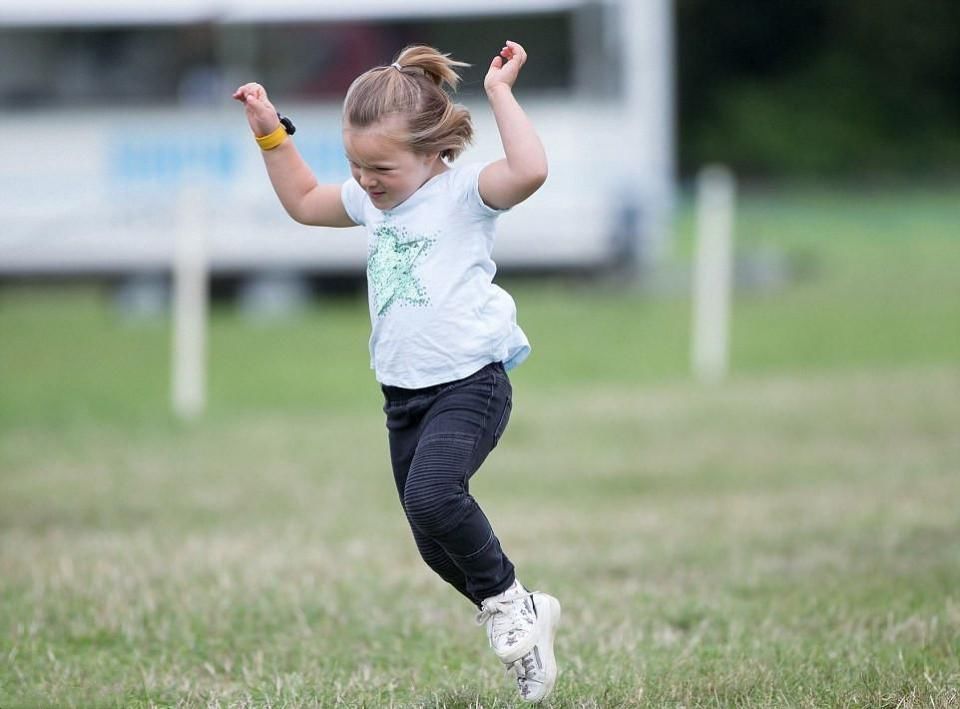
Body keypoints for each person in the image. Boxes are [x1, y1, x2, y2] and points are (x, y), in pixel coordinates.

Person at [233, 41, 560, 704]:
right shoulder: (368, 202)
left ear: (434, 150)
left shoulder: (463, 193)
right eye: (356, 165)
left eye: (380, 166)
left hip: (471, 381)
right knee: (433, 543)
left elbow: (529, 170)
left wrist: (500, 95)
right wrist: (271, 131)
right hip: (404, 398)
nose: (366, 179)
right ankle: (523, 604)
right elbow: (301, 198)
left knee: (434, 498)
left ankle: (505, 601)